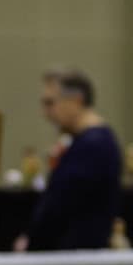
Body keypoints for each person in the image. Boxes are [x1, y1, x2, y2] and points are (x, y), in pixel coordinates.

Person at [15, 68, 122, 252]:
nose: (45, 113)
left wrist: (31, 243)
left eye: (50, 103)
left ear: (76, 101)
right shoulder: (90, 142)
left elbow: (58, 209)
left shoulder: (93, 146)